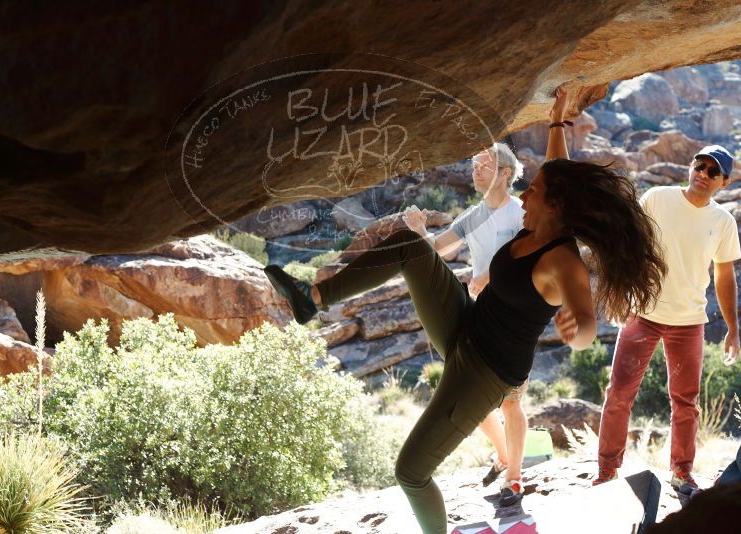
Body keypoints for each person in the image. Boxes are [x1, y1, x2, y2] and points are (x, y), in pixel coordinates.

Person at [264, 87, 666, 534]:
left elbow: (587, 323)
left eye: (532, 191)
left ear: (555, 206)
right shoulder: (545, 211)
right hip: (465, 324)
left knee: (411, 473)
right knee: (409, 246)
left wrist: (578, 330)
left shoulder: (562, 260)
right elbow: (556, 169)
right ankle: (311, 300)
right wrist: (556, 120)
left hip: (488, 370)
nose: (524, 195)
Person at [595, 144, 740, 493]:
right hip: (642, 314)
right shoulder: (658, 198)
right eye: (699, 166)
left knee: (686, 402)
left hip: (689, 321)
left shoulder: (722, 221)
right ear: (690, 167)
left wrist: (733, 328)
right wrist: (621, 293)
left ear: (723, 182)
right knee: (619, 394)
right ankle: (607, 472)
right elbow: (628, 243)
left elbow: (724, 276)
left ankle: (681, 472)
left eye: (712, 171)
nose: (702, 174)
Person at [401, 142, 530, 506]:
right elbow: (437, 251)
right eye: (473, 165)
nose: (475, 170)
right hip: (477, 316)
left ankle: (515, 476)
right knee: (471, 401)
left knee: (511, 401)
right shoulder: (474, 215)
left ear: (505, 173)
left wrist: (489, 275)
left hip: (513, 319)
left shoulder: (522, 214)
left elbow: (528, 259)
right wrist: (418, 229)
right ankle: (504, 455)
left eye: (484, 165)